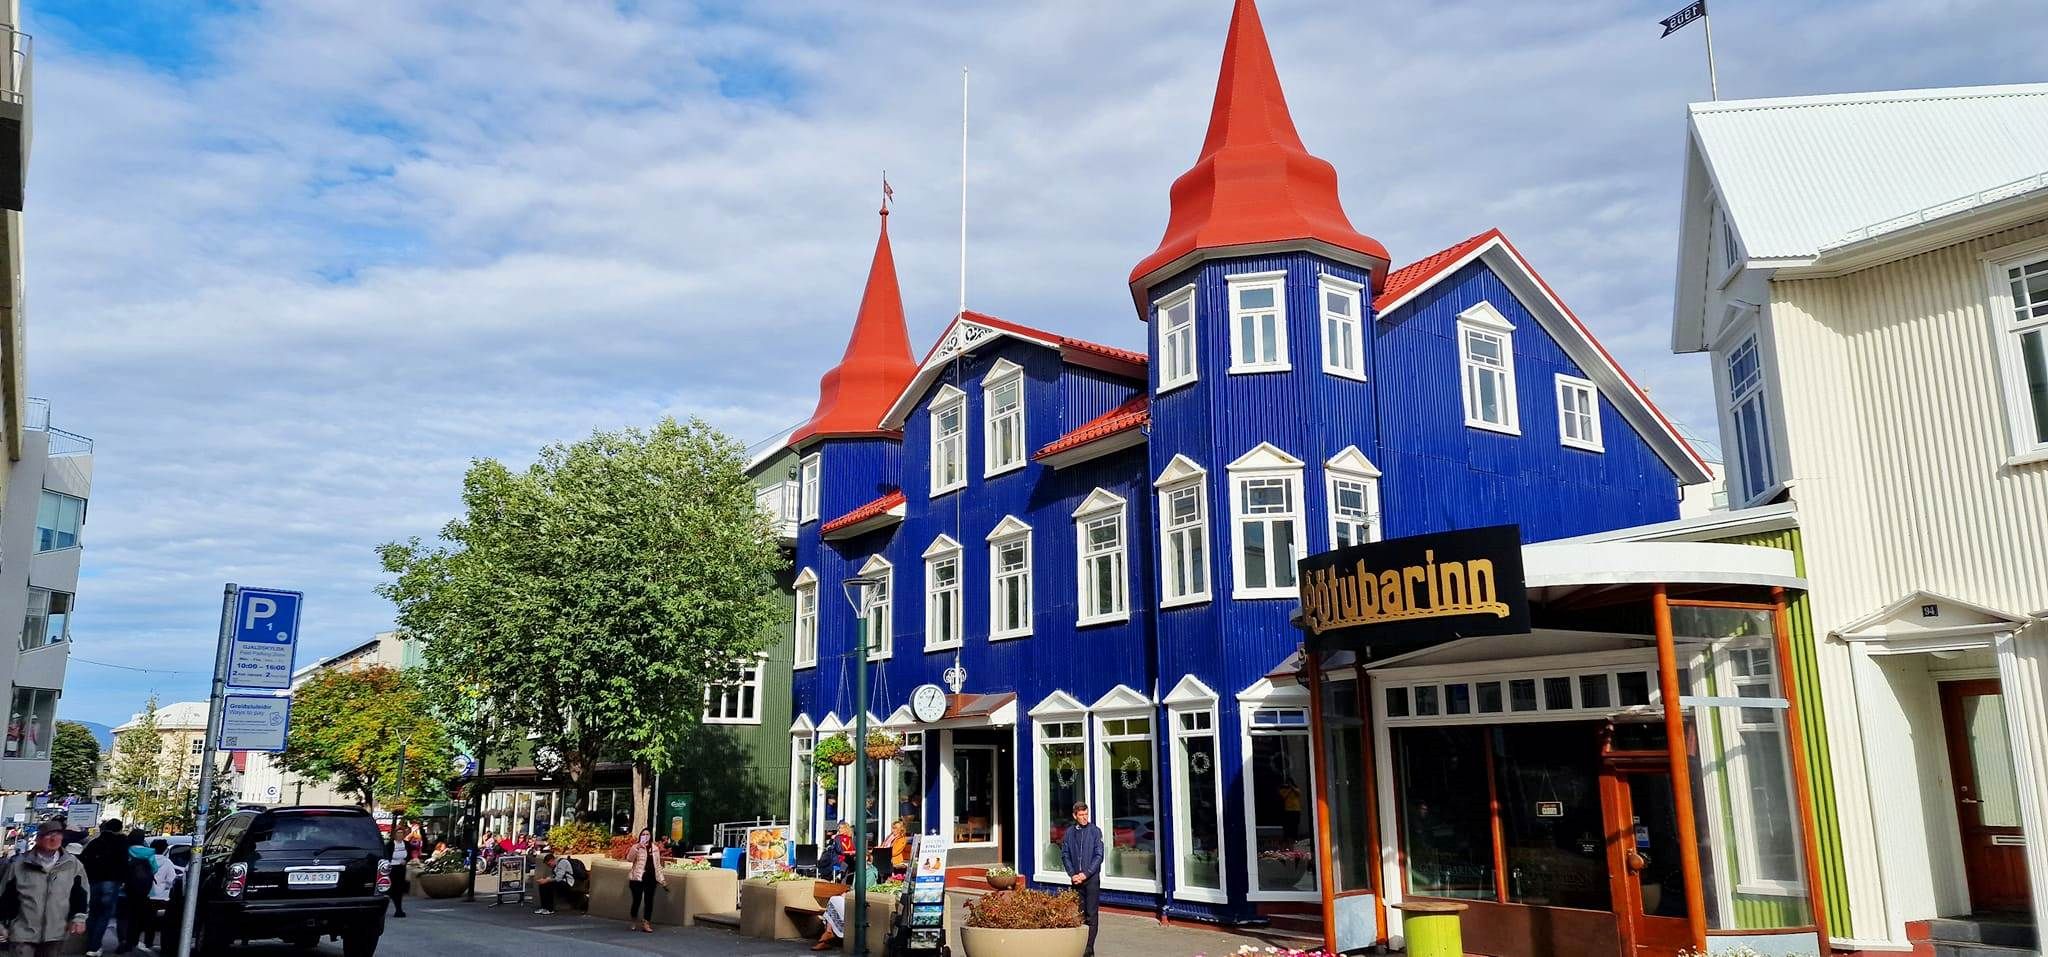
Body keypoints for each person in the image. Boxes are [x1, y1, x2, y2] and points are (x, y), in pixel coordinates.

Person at [0, 820, 89, 957]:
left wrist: (79, 917)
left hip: (56, 933)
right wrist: (2, 923)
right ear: (38, 839)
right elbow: (5, 895)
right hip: (23, 932)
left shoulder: (72, 865)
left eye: (58, 835)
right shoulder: (18, 864)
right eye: (49, 835)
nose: (54, 839)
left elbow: (81, 893)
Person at [78, 819, 128, 957]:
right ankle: (94, 947)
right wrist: (123, 879)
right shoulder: (121, 843)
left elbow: (84, 860)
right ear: (119, 829)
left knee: (93, 913)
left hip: (93, 881)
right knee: (104, 915)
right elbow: (124, 862)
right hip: (112, 882)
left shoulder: (95, 842)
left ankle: (90, 945)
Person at [1061, 802, 1104, 957]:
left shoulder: (1095, 832)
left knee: (1091, 914)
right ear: (1075, 816)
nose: (1084, 817)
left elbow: (1099, 855)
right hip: (1076, 881)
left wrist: (1086, 874)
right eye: (1081, 815)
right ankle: (1080, 946)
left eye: (1086, 814)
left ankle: (1089, 949)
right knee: (1079, 914)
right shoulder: (1069, 833)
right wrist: (1072, 874)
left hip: (1091, 879)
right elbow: (1065, 854)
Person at [812, 857, 876, 952]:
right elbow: (853, 888)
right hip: (852, 898)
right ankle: (828, 933)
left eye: (856, 856)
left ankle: (827, 937)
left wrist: (848, 895)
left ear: (866, 858)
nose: (855, 859)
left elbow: (864, 891)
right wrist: (846, 893)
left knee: (835, 901)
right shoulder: (859, 870)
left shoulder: (870, 873)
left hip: (861, 902)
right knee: (834, 900)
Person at [111, 835, 154, 955]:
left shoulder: (124, 851)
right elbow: (154, 869)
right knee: (136, 917)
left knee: (122, 918)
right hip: (142, 891)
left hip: (124, 891)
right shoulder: (150, 853)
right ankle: (132, 941)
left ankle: (123, 940)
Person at [622, 828, 665, 933]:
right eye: (643, 834)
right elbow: (629, 859)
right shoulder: (636, 847)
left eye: (647, 834)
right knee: (636, 900)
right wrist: (637, 848)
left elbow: (657, 865)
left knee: (649, 901)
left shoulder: (655, 849)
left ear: (650, 836)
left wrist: (662, 879)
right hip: (637, 878)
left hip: (651, 878)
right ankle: (634, 919)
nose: (645, 836)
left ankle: (646, 923)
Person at [143, 840, 177, 953]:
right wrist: (165, 887)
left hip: (148, 895)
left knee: (148, 921)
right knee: (163, 923)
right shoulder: (167, 862)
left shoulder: (147, 860)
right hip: (163, 897)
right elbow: (172, 879)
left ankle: (148, 942)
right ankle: (162, 945)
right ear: (164, 849)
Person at [384, 822, 411, 918]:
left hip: (401, 868)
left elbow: (409, 855)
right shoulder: (390, 845)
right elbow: (386, 856)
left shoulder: (406, 844)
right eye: (398, 833)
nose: (400, 835)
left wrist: (406, 860)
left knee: (399, 889)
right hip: (392, 869)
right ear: (394, 835)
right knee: (392, 889)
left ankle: (399, 909)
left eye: (401, 833)